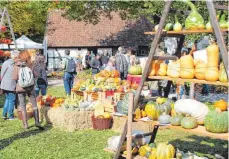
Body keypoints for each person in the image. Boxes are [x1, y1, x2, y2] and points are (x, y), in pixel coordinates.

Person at [12, 50, 44, 129]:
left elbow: (14, 77)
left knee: (22, 105)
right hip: (30, 87)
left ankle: (25, 124)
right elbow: (37, 75)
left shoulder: (16, 65)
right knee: (34, 104)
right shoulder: (30, 64)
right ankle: (37, 122)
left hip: (21, 87)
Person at [1, 50, 19, 120]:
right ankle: (11, 116)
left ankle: (4, 114)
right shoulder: (13, 64)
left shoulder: (5, 62)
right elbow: (15, 76)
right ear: (15, 57)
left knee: (8, 99)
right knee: (12, 100)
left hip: (4, 84)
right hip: (11, 85)